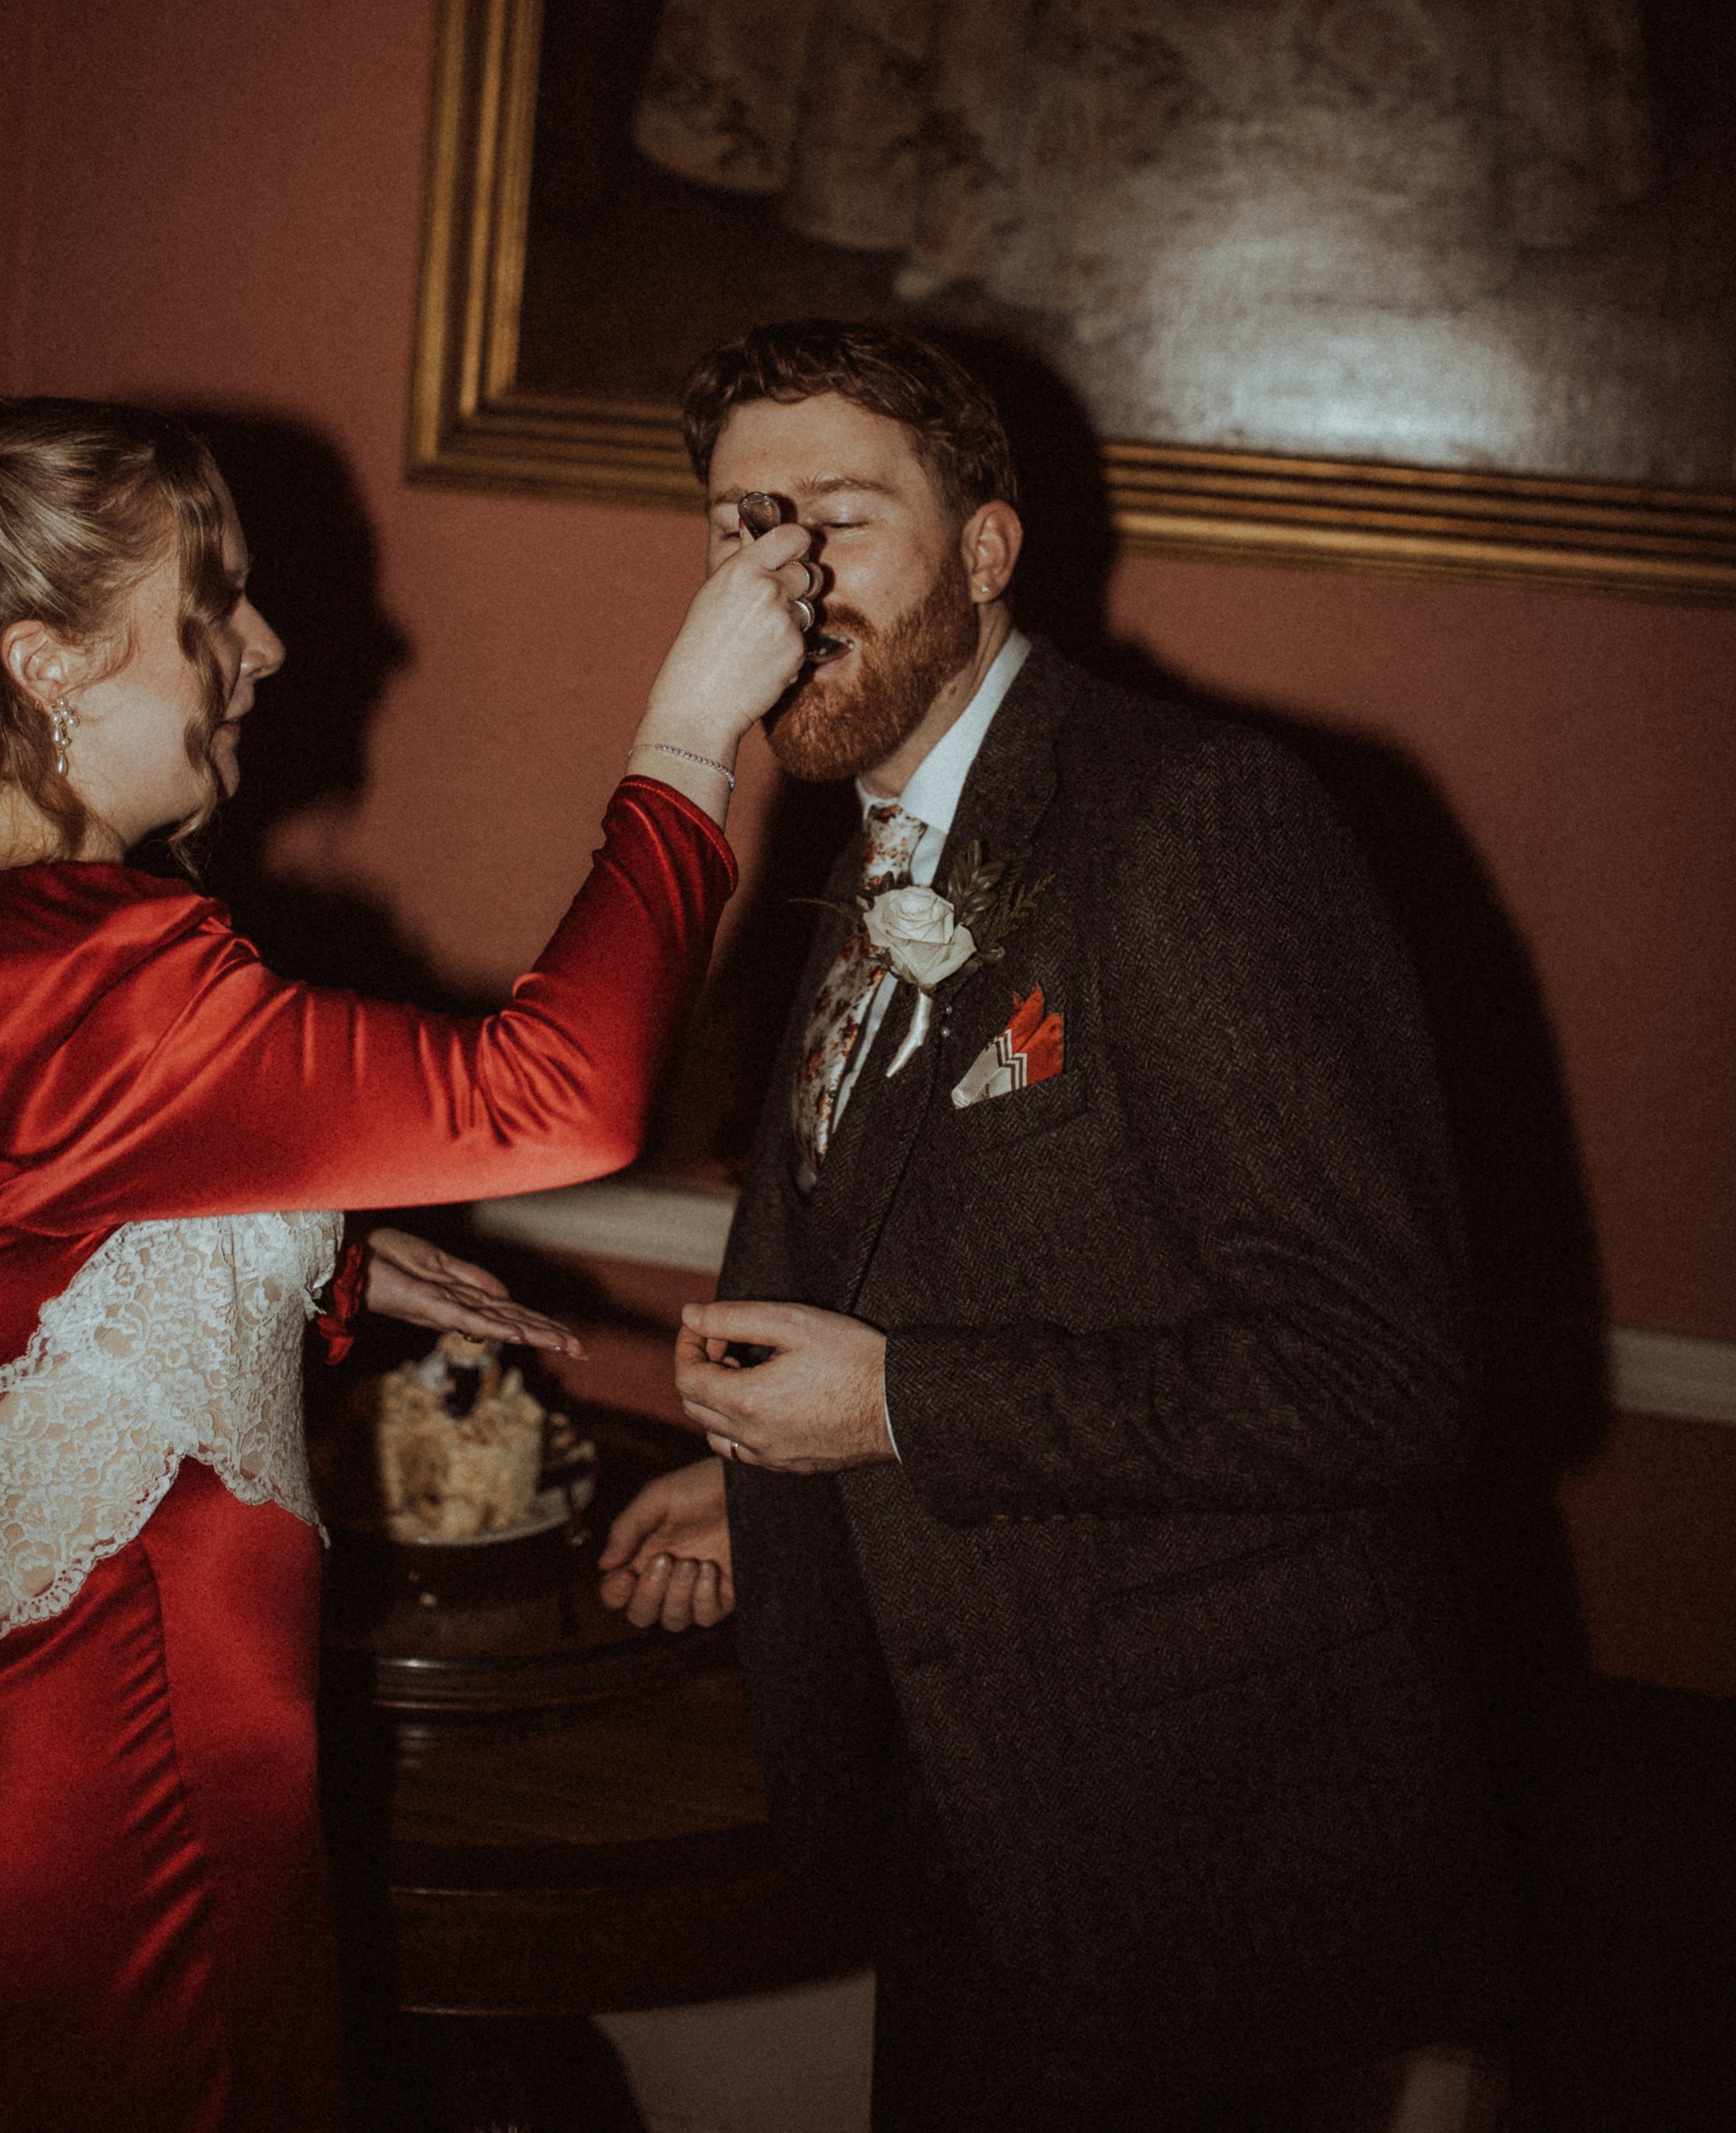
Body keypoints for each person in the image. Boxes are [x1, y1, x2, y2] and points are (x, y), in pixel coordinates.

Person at [0, 394, 812, 2133]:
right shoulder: (71, 968)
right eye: (212, 606)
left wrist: (305, 1254)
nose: (262, 647)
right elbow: (557, 1096)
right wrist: (692, 731)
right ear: (46, 663)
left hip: (37, 1756)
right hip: (135, 1793)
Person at [600, 323, 1512, 2132]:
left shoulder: (1192, 818)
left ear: (987, 548)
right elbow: (940, 1257)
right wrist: (778, 1484)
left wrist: (894, 1412)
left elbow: (1380, 1374)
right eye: (742, 527)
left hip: (1199, 1843)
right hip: (976, 1803)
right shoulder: (863, 844)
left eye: (838, 519)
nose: (781, 579)